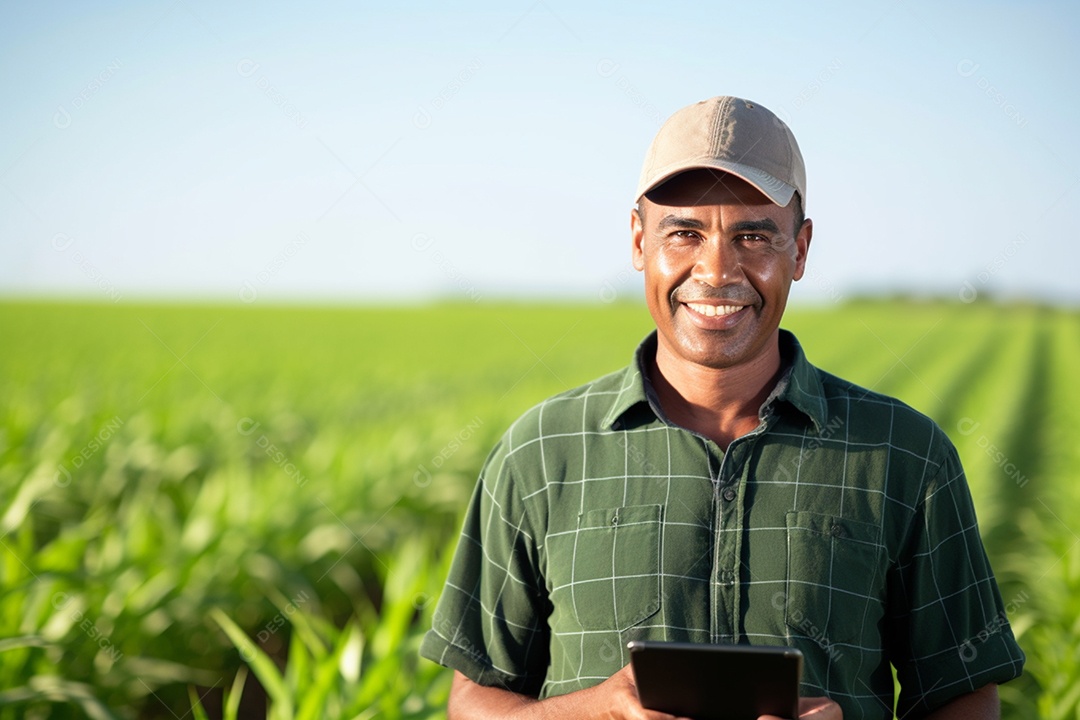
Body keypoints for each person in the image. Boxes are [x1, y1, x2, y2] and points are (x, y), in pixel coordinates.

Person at [419, 96, 1025, 719]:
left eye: (754, 235)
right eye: (684, 232)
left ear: (800, 249)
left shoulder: (904, 453)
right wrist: (593, 710)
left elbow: (964, 693)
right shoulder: (541, 451)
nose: (716, 271)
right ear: (638, 240)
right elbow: (474, 698)